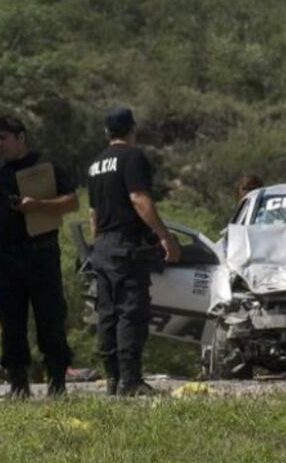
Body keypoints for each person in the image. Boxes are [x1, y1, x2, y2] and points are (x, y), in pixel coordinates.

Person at [0, 116, 79, 397]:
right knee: (11, 324)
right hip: (6, 259)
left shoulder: (45, 166)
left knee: (50, 320)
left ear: (21, 137)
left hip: (41, 256)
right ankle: (18, 384)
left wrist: (38, 205)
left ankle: (57, 382)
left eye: (4, 137)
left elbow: (72, 201)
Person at [86, 107, 181, 396]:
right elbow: (139, 199)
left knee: (107, 314)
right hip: (126, 246)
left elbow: (93, 213)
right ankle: (131, 381)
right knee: (130, 312)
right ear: (132, 129)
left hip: (102, 246)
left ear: (106, 132)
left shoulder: (95, 164)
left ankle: (113, 379)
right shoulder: (132, 157)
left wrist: (101, 243)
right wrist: (165, 237)